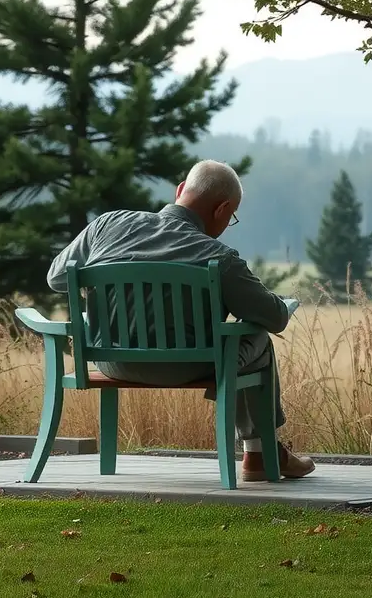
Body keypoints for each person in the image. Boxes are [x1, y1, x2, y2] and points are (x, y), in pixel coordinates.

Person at [46, 159, 314, 482]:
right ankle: (259, 453)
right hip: (187, 364)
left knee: (247, 338)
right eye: (232, 218)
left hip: (110, 360)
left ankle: (261, 453)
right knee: (258, 336)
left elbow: (56, 278)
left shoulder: (107, 225)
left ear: (180, 191)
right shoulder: (219, 257)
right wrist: (287, 305)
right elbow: (272, 317)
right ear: (222, 209)